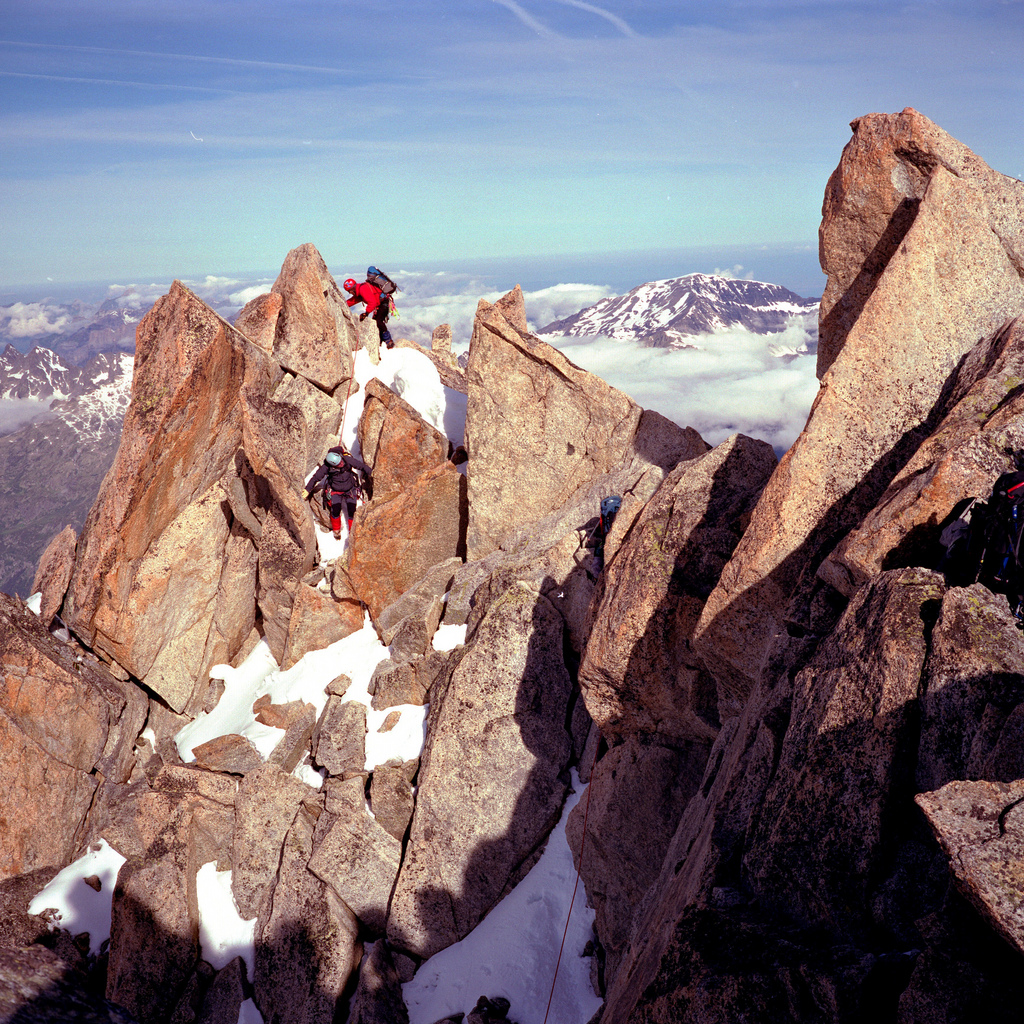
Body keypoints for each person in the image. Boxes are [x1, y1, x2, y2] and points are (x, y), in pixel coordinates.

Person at [302, 444, 372, 539]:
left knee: (352, 511)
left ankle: (352, 533)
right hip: (336, 490)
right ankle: (336, 531)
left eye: (341, 461)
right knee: (335, 511)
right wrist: (307, 489)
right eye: (339, 464)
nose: (341, 464)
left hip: (350, 489)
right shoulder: (327, 467)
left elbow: (362, 466)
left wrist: (372, 473)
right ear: (333, 465)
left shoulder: (347, 460)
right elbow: (315, 478)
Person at [343, 275, 393, 349]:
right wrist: (342, 304)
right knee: (375, 322)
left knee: (378, 321)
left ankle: (388, 340)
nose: (350, 293)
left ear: (352, 289)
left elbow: (372, 303)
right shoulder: (359, 290)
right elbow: (352, 301)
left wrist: (366, 313)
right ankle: (381, 341)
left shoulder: (362, 289)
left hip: (384, 303)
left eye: (349, 291)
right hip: (381, 303)